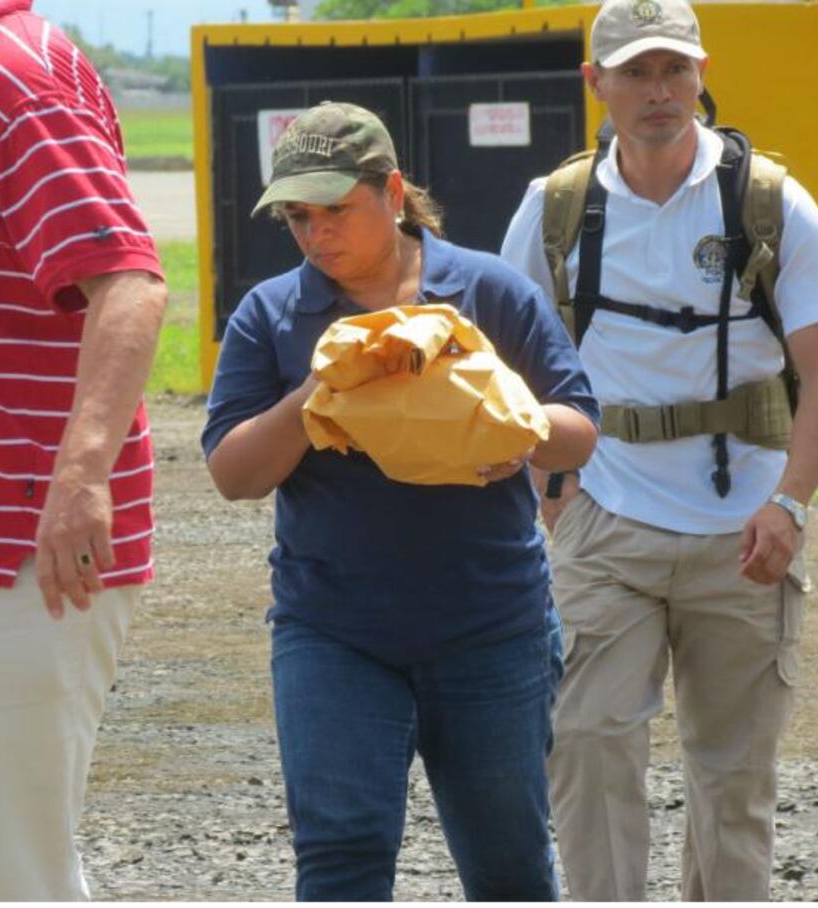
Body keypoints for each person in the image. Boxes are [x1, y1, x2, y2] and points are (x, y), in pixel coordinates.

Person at [501, 0, 818, 900]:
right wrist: (548, 484)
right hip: (605, 526)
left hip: (746, 534)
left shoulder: (771, 202)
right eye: (635, 72)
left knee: (735, 780)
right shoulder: (556, 209)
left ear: (702, 72)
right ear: (597, 84)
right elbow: (506, 359)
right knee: (586, 746)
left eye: (674, 70)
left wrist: (789, 505)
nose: (658, 92)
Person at [201, 100, 599, 901]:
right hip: (333, 633)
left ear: (391, 192)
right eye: (297, 218)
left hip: (491, 629)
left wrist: (503, 425)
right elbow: (233, 473)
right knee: (341, 859)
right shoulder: (272, 316)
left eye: (335, 211)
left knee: (509, 866)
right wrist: (321, 395)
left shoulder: (487, 292)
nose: (316, 236)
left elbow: (578, 428)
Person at [0, 1, 168, 899]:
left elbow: (130, 283)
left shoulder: (12, 75)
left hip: (23, 548)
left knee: (14, 874)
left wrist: (79, 483)